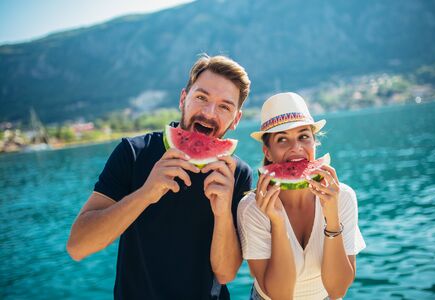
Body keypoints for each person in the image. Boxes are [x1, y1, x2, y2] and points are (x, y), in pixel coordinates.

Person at [66, 54, 253, 300]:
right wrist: (146, 194)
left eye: (224, 106)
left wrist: (221, 214)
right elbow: (78, 246)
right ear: (183, 99)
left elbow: (226, 274)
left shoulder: (236, 173)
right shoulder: (133, 153)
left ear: (236, 119)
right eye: (201, 97)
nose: (209, 112)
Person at [237, 92, 366, 300]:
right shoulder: (252, 208)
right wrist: (278, 223)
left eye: (304, 136)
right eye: (282, 139)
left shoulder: (343, 197)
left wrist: (332, 217)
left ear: (315, 142)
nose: (296, 147)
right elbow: (280, 295)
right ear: (267, 152)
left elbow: (337, 290)